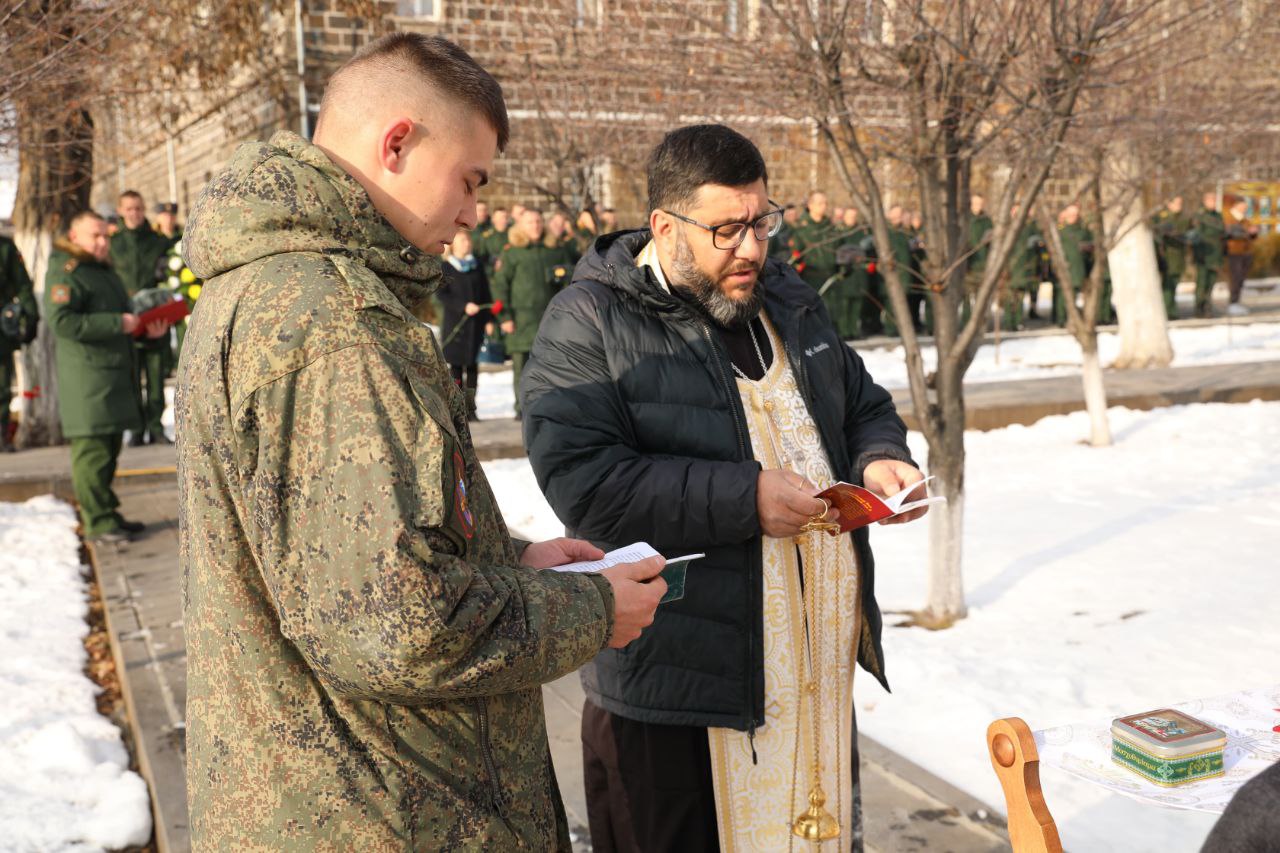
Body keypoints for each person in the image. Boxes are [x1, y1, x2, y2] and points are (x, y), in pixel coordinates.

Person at [177, 33, 667, 851]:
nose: (474, 212)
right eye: (469, 179)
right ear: (398, 141)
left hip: (325, 797)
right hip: (389, 809)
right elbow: (401, 625)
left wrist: (507, 561)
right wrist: (592, 609)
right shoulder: (336, 323)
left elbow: (333, 553)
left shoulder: (268, 287)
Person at [522, 124, 925, 853]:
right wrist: (746, 498)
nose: (751, 248)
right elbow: (586, 483)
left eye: (762, 221)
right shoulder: (589, 321)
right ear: (664, 226)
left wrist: (878, 458)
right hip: (679, 693)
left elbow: (859, 401)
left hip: (809, 685)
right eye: (727, 229)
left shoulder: (786, 297)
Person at [46, 211, 167, 543]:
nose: (102, 242)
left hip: (111, 375)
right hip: (89, 379)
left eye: (104, 236)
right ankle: (98, 523)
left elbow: (123, 318)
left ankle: (107, 513)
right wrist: (118, 324)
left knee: (109, 449)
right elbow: (62, 322)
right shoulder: (67, 271)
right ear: (74, 237)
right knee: (93, 453)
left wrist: (144, 330)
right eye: (94, 236)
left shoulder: (101, 271)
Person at [490, 208, 575, 418]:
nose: (535, 226)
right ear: (520, 226)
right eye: (529, 222)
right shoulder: (512, 253)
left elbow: (569, 281)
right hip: (520, 321)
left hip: (550, 319)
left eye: (538, 221)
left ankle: (549, 406)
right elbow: (500, 286)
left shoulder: (554, 250)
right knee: (521, 367)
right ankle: (522, 407)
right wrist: (505, 317)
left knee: (550, 366)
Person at [110, 190, 174, 445]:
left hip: (155, 317)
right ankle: (136, 429)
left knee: (157, 374)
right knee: (132, 375)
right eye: (129, 209)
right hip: (127, 318)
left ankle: (156, 426)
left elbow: (171, 279)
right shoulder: (113, 244)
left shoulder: (158, 242)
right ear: (120, 211)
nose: (134, 213)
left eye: (138, 208)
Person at [438, 229, 493, 421]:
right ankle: (457, 408)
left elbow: (486, 294)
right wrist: (462, 306)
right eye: (461, 240)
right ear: (453, 244)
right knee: (455, 368)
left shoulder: (476, 266)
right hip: (456, 325)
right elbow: (442, 295)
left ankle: (470, 408)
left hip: (475, 326)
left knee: (472, 369)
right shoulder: (446, 268)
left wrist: (488, 320)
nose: (466, 244)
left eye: (467, 240)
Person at [1, 234, 38, 452]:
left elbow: (22, 285)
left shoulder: (4, 249)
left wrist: (31, 317)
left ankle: (2, 436)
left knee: (2, 386)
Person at [1153, 196, 1190, 321]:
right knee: (1167, 284)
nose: (1179, 205)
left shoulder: (1184, 218)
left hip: (1179, 256)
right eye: (1176, 203)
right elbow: (1156, 233)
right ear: (1169, 204)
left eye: (1181, 203)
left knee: (1173, 284)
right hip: (1166, 256)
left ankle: (1171, 309)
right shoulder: (1162, 217)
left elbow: (1190, 233)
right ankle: (1167, 310)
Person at [1057, 203, 1093, 327]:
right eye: (1071, 214)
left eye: (1075, 215)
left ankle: (1078, 319)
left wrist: (1088, 247)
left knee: (1080, 294)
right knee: (1065, 295)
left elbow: (1092, 243)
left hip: (1080, 266)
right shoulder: (1061, 230)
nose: (1073, 217)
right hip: (1067, 267)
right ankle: (1062, 319)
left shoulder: (1083, 231)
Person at [1192, 192, 1226, 318]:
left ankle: (1207, 306)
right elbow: (1196, 236)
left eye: (1214, 200)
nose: (1213, 202)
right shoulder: (1200, 215)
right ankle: (1198, 307)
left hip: (1215, 255)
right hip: (1203, 255)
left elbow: (1222, 231)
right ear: (1204, 201)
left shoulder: (1217, 215)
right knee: (1202, 283)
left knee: (1211, 283)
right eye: (1210, 200)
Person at [1224, 196, 1257, 316]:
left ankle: (1236, 301)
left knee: (1241, 278)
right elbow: (1229, 233)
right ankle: (1233, 302)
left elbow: (1250, 235)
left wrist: (1253, 233)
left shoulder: (1245, 220)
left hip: (1246, 252)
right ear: (1236, 205)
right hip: (1234, 251)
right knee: (1235, 277)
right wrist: (1245, 233)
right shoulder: (1229, 218)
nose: (1245, 208)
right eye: (1243, 206)